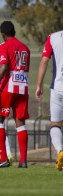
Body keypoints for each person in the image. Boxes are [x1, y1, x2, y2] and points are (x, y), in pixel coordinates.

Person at [0, 21, 30, 168]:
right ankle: (23, 161)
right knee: (20, 123)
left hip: (9, 87)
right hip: (23, 86)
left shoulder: (4, 46)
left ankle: (4, 159)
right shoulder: (26, 48)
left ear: (3, 34)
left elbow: (5, 66)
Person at [35, 30, 63, 171]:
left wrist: (39, 85)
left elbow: (44, 60)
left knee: (55, 125)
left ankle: (60, 151)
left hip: (57, 88)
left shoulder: (52, 37)